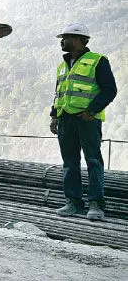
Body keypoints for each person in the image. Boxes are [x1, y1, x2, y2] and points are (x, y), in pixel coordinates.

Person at [50, 23, 117, 221]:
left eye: (66, 38)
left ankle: (96, 205)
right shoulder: (63, 66)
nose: (62, 41)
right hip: (66, 119)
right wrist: (54, 116)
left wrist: (92, 111)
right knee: (70, 162)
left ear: (78, 40)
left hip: (87, 120)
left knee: (93, 161)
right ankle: (73, 202)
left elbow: (109, 90)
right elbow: (58, 94)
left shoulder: (98, 61)